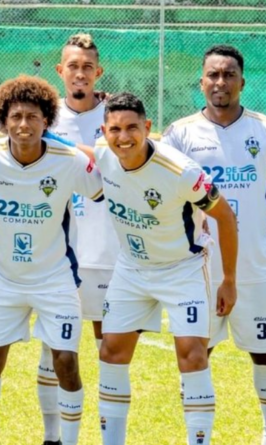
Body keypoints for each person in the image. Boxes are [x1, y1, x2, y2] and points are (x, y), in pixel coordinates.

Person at [0, 75, 103, 445]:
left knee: (67, 363)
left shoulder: (68, 160)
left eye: (33, 117)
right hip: (5, 278)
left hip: (56, 278)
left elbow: (106, 190)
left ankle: (60, 439)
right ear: (4, 119)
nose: (23, 125)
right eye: (16, 116)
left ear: (47, 121)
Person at [95, 93, 238, 445]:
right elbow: (69, 150)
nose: (123, 137)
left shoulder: (181, 171)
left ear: (147, 127)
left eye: (132, 128)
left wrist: (229, 280)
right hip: (131, 268)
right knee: (111, 350)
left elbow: (225, 217)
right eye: (115, 129)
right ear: (104, 131)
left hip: (182, 269)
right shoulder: (101, 154)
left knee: (192, 355)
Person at [161, 44, 266, 443]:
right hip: (198, 267)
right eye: (213, 75)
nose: (220, 82)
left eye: (229, 75)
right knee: (196, 352)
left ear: (243, 81)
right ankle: (198, 438)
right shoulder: (180, 133)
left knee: (264, 351)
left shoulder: (262, 129)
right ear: (201, 80)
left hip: (256, 266)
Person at [46, 32, 119, 444]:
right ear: (60, 71)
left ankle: (110, 435)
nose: (80, 74)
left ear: (98, 73)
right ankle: (54, 435)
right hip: (61, 253)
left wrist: (72, 148)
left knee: (108, 350)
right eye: (72, 66)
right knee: (55, 350)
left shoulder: (114, 111)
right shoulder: (45, 114)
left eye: (87, 67)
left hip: (109, 250)